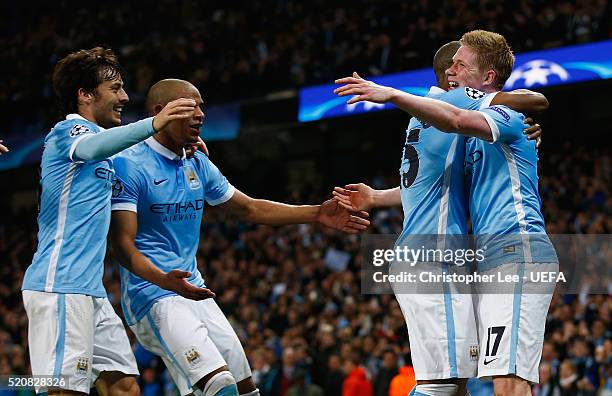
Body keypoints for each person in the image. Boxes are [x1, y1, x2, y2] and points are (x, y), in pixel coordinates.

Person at [110, 79, 370, 396]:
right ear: (160, 112)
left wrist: (316, 212)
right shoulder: (129, 164)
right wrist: (163, 280)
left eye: (202, 106)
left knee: (245, 387)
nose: (201, 114)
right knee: (219, 384)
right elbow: (122, 246)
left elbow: (249, 209)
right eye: (190, 106)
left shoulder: (197, 163)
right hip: (152, 293)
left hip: (193, 287)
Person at [334, 30, 558, 396]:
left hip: (513, 250)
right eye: (452, 65)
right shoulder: (457, 114)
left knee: (480, 381)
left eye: (462, 64)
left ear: (482, 78)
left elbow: (528, 103)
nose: (455, 70)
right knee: (457, 384)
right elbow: (521, 103)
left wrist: (377, 197)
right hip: (450, 257)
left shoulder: (464, 120)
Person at [20, 47, 206, 395]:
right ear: (85, 94)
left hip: (92, 292)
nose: (124, 96)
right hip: (59, 285)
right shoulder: (67, 132)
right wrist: (154, 124)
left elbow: (134, 153)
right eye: (115, 87)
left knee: (124, 387)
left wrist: (177, 144)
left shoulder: (110, 146)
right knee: (65, 391)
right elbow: (92, 149)